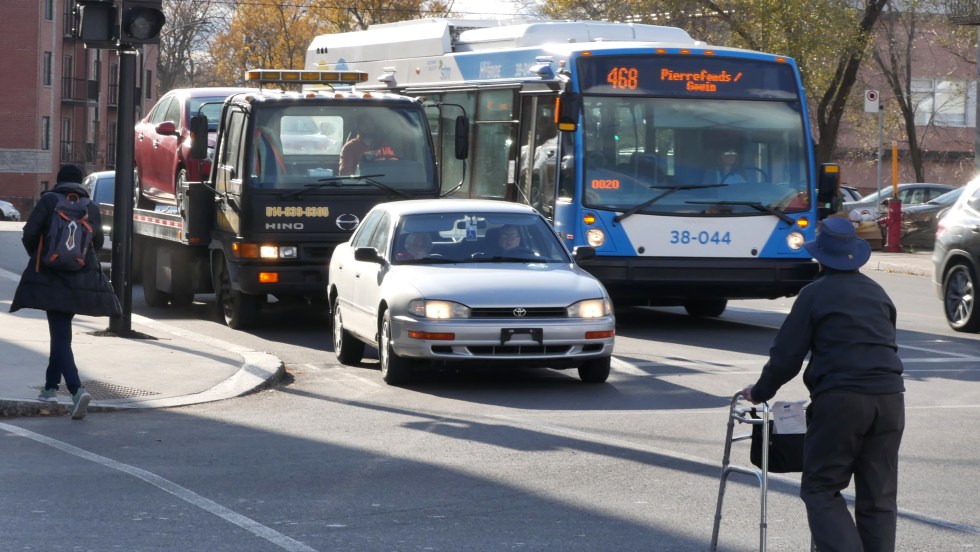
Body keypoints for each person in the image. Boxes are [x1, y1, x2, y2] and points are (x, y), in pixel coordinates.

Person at [741, 216, 905, 552]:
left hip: (843, 400)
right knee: (878, 496)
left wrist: (759, 393)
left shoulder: (815, 294)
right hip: (890, 399)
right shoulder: (877, 292)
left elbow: (786, 357)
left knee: (820, 487)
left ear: (820, 256)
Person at [10, 164, 121, 420]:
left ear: (59, 181)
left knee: (60, 337)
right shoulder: (89, 206)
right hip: (80, 278)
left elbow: (29, 233)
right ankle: (49, 388)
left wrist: (41, 256)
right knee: (61, 334)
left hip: (51, 277)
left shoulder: (49, 201)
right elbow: (99, 243)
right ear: (80, 182)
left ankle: (76, 390)